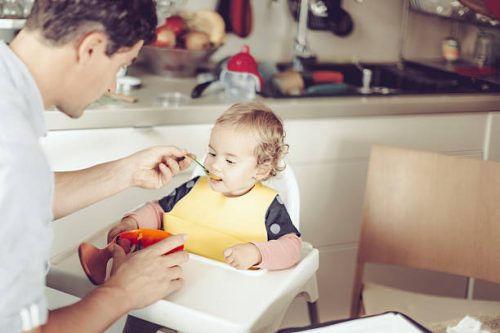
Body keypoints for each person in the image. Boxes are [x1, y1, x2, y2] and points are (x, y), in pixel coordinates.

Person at [0, 1, 191, 333]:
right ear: (90, 48)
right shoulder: (15, 154)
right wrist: (122, 292)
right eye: (120, 66)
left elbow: (13, 198)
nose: (111, 88)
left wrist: (126, 171)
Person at [107, 101, 302, 271]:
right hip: (172, 281)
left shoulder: (269, 207)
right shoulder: (193, 187)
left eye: (230, 161)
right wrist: (133, 223)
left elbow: (292, 247)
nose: (215, 165)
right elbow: (158, 211)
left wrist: (256, 253)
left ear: (260, 170)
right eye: (212, 153)